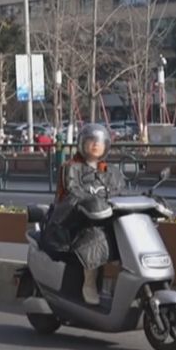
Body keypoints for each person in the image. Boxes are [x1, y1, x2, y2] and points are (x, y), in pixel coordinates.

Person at [43, 123, 126, 305]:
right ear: (82, 143)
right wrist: (92, 201)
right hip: (73, 220)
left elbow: (120, 192)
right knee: (95, 237)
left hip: (104, 216)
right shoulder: (71, 167)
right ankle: (89, 284)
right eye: (90, 141)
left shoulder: (110, 171)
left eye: (99, 142)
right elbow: (74, 192)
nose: (95, 145)